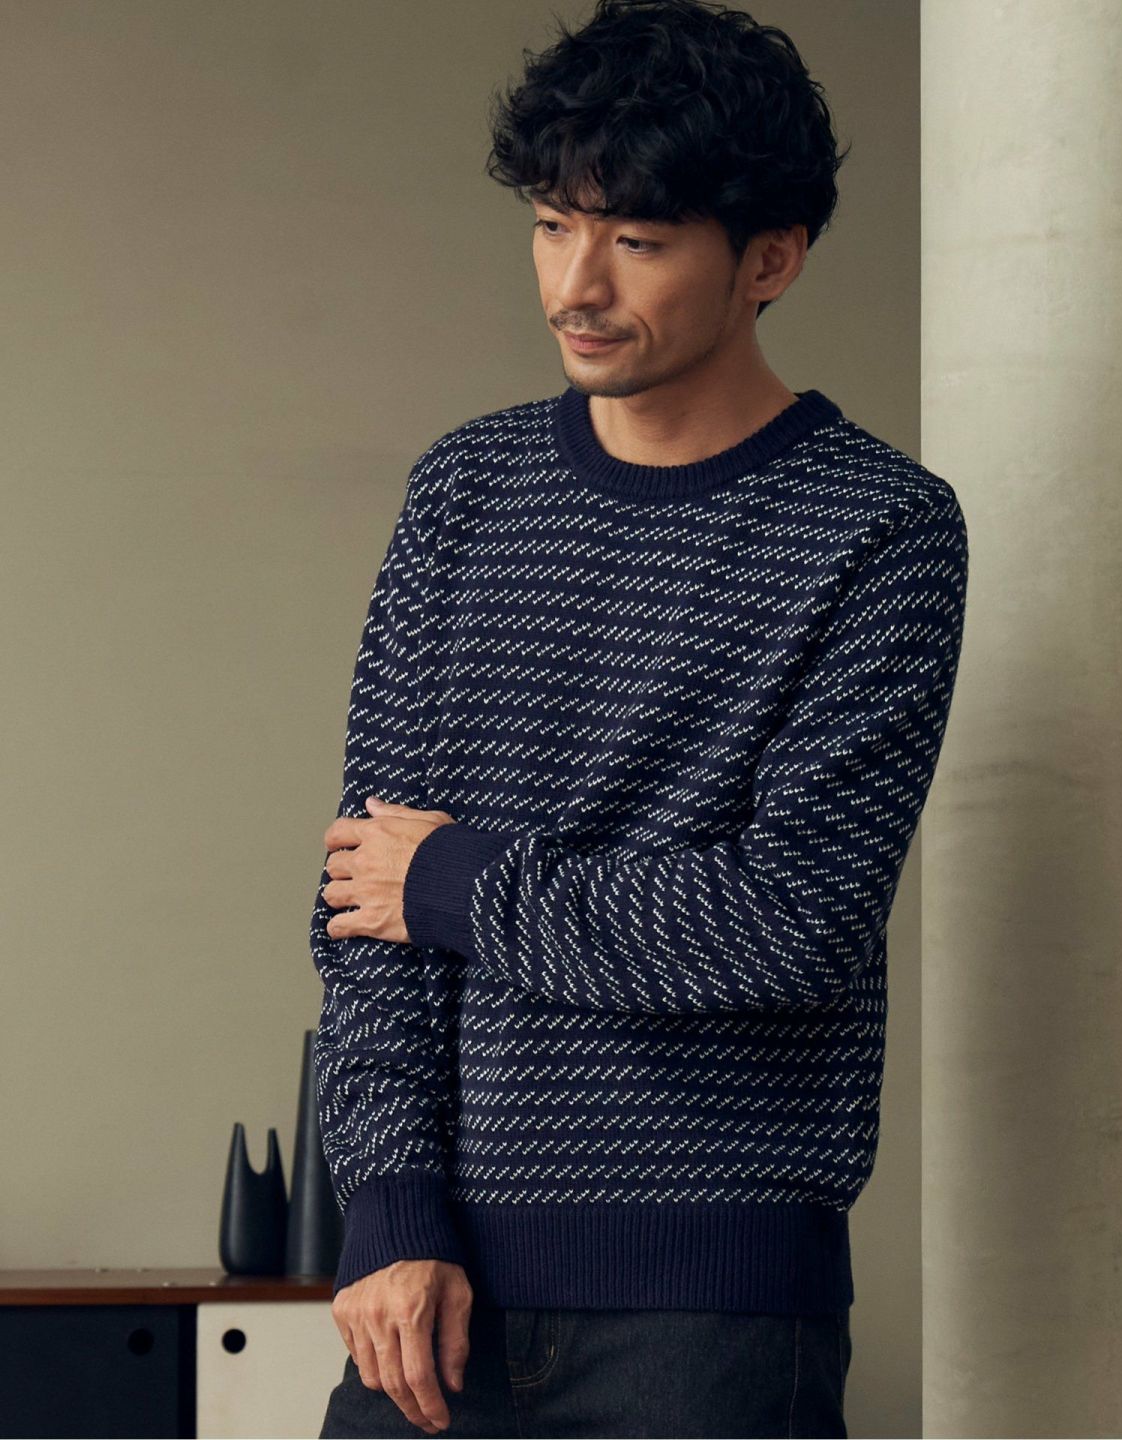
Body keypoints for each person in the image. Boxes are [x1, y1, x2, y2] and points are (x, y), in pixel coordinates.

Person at [312, 0, 968, 1435]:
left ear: (771, 260)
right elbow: (364, 897)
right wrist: (391, 1206)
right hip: (429, 1296)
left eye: (641, 241)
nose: (577, 284)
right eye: (554, 226)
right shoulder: (466, 491)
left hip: (708, 1324)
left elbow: (788, 924)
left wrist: (457, 880)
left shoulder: (880, 529)